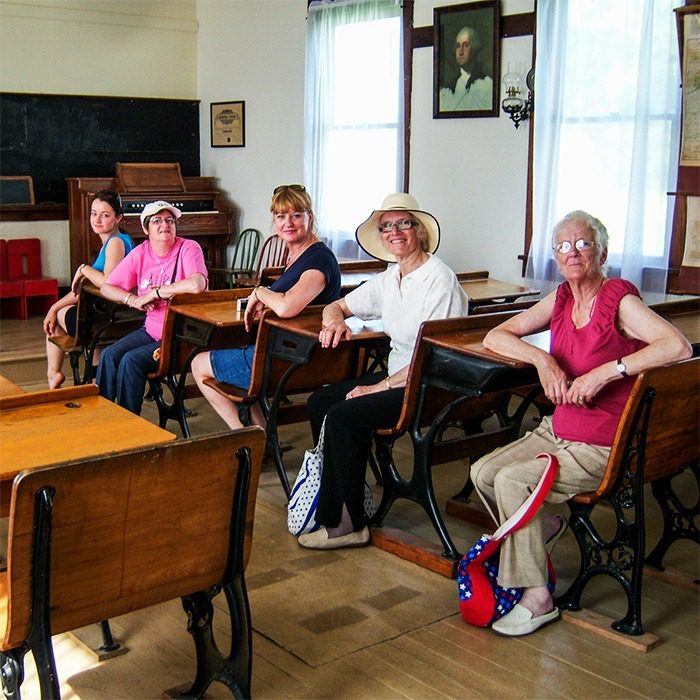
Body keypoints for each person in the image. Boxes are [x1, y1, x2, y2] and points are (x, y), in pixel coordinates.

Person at [470, 210, 692, 637]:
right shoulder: (561, 300)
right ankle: (544, 525)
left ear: (602, 251)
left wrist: (609, 371)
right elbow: (495, 336)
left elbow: (677, 346)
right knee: (483, 472)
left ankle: (539, 598)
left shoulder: (619, 300)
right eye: (563, 246)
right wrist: (543, 360)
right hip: (558, 428)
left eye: (583, 244)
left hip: (601, 441)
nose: (572, 253)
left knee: (515, 482)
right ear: (554, 256)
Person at [297, 193, 469, 550]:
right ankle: (345, 495)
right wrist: (334, 323)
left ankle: (348, 523)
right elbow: (338, 305)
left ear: (419, 231)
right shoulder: (392, 276)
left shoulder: (439, 279)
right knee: (320, 401)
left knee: (344, 415)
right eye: (387, 226)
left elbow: (434, 357)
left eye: (403, 223)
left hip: (428, 385)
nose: (395, 232)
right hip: (398, 377)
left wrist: (378, 389)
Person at [191, 184, 341, 430]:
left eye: (296, 215)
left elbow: (287, 307)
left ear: (310, 217)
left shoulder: (318, 259)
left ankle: (244, 436)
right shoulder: (296, 256)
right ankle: (261, 437)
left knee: (198, 364)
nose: (288, 223)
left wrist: (260, 292)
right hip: (287, 352)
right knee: (226, 346)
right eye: (281, 216)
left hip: (294, 360)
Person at [96, 200, 208, 414]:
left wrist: (156, 293)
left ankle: (128, 425)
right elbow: (107, 288)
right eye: (157, 221)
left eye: (169, 220)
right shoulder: (141, 252)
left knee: (131, 361)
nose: (164, 225)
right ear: (146, 229)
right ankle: (105, 418)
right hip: (151, 330)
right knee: (109, 355)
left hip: (181, 335)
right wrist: (131, 299)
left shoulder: (188, 248)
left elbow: (196, 284)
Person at [42, 190, 134, 389]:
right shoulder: (112, 242)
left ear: (118, 218)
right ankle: (83, 380)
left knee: (58, 319)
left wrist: (84, 269)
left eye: (105, 215)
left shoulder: (116, 243)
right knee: (56, 316)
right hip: (104, 312)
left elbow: (109, 282)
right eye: (94, 213)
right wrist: (54, 307)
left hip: (108, 319)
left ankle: (54, 375)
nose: (97, 219)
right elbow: (83, 289)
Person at [439, 26, 493, 112]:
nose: (460, 52)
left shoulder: (487, 83)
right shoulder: (449, 88)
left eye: (466, 45)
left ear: (475, 48)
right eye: (458, 46)